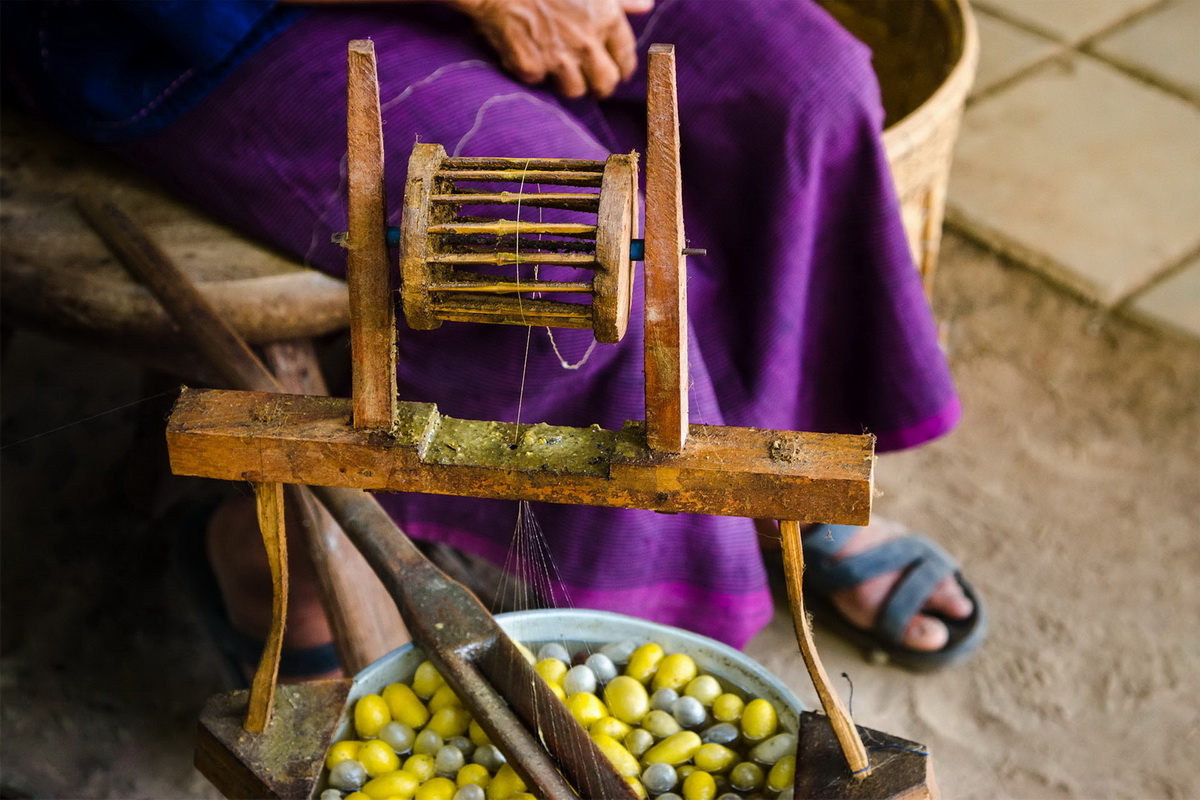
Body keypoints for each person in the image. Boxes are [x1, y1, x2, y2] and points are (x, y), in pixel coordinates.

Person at [2, 0, 984, 673]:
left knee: (807, 84)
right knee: (573, 242)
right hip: (213, 23)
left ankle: (768, 457)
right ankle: (273, 559)